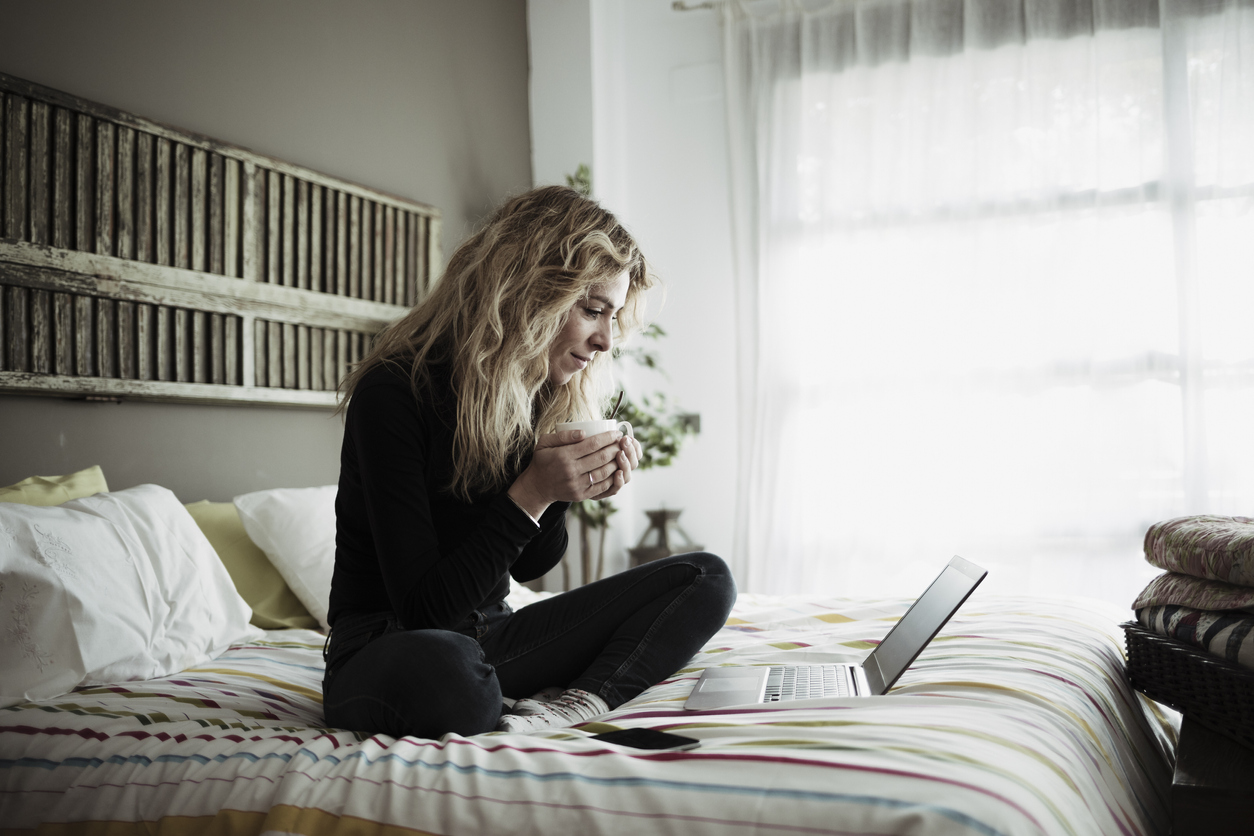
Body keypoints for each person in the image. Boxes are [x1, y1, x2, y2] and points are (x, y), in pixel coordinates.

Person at [321, 185, 736, 739]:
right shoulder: (394, 392)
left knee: (706, 577)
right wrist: (534, 493)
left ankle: (572, 708)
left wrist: (566, 485)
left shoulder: (534, 392)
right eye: (593, 311)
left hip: (492, 636)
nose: (606, 340)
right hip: (388, 646)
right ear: (529, 291)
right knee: (452, 675)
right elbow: (424, 609)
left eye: (612, 318)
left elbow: (529, 566)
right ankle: (492, 697)